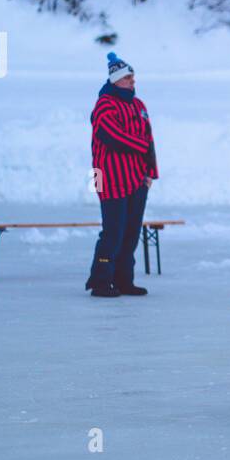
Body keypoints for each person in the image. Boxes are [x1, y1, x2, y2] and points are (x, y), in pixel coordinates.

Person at [86, 51, 157, 298]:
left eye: (133, 78)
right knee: (113, 231)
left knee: (131, 232)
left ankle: (124, 280)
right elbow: (111, 136)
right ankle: (100, 281)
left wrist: (150, 173)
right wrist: (139, 146)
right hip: (108, 177)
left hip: (137, 179)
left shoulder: (139, 105)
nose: (132, 82)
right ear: (116, 80)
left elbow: (149, 140)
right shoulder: (104, 104)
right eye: (128, 78)